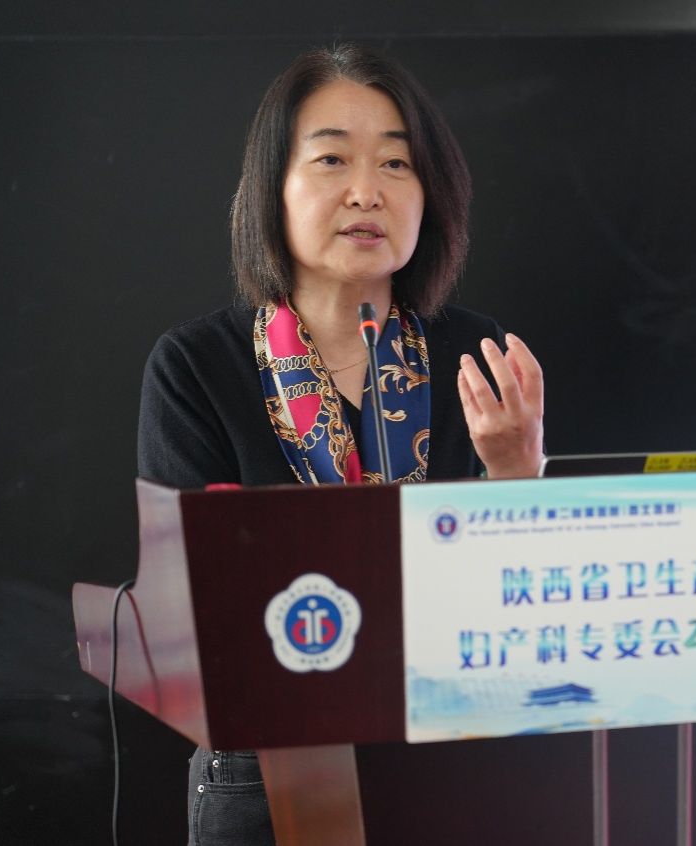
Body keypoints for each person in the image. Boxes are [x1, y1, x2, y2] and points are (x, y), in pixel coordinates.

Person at [137, 44, 544, 845]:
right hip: (270, 767)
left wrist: (516, 473)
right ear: (273, 188)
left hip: (451, 754)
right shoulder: (195, 365)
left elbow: (519, 603)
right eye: (332, 159)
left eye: (397, 163)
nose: (367, 191)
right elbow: (192, 613)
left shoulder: (476, 354)